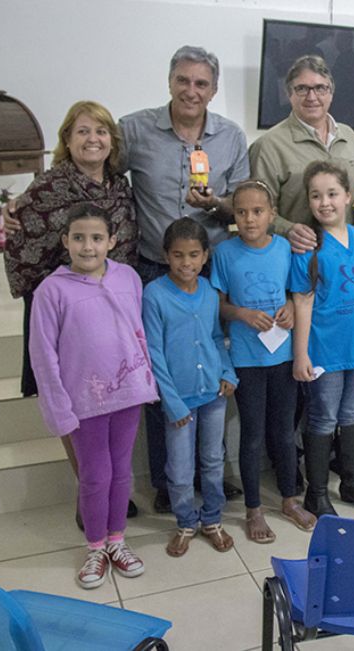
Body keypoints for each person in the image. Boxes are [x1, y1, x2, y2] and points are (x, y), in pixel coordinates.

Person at [120, 45, 250, 512]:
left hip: (208, 266)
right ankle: (166, 479)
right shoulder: (133, 129)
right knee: (165, 372)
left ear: (213, 90)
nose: (191, 90)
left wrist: (215, 203)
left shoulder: (232, 137)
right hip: (154, 267)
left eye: (201, 83)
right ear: (170, 81)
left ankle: (213, 470)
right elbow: (99, 179)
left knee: (213, 367)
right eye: (183, 80)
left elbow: (242, 204)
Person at [4, 100, 140, 526]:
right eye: (82, 131)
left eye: (100, 131)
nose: (92, 139)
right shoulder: (48, 187)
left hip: (110, 304)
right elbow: (20, 240)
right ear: (66, 139)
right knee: (72, 396)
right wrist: (7, 216)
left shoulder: (120, 185)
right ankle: (89, 489)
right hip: (63, 309)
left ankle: (108, 487)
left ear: (111, 141)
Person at [28, 204, 156, 589]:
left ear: (112, 242)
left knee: (121, 472)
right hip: (84, 402)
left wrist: (147, 380)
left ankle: (117, 541)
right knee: (95, 475)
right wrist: (58, 408)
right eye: (79, 238)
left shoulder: (128, 277)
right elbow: (43, 355)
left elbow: (138, 331)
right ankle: (95, 547)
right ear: (66, 241)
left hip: (129, 394)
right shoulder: (51, 291)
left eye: (97, 238)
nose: (88, 247)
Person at [211, 181, 313, 540]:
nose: (250, 219)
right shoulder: (224, 253)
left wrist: (287, 307)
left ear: (272, 215)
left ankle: (289, 498)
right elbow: (217, 304)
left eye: (258, 212)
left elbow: (294, 292)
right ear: (234, 216)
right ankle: (254, 509)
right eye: (242, 212)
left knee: (284, 431)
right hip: (247, 358)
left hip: (283, 354)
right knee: (252, 435)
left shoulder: (284, 248)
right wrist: (240, 313)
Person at [291, 161, 354, 516]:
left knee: (351, 414)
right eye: (316, 196)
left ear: (348, 196)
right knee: (323, 418)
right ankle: (317, 493)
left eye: (332, 194)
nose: (325, 202)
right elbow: (302, 300)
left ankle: (352, 483)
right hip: (324, 350)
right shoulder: (308, 247)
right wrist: (301, 354)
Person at [142, 218, 237, 557]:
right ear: (166, 256)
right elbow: (153, 351)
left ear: (205, 255)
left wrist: (228, 373)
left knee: (213, 460)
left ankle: (212, 519)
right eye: (178, 255)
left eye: (194, 255)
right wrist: (172, 402)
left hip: (213, 393)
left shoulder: (210, 293)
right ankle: (185, 522)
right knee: (180, 469)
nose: (186, 263)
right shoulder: (153, 295)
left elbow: (215, 337)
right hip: (178, 400)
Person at [249, 55, 354, 254]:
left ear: (331, 93)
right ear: (289, 94)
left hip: (347, 258)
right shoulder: (268, 146)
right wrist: (287, 230)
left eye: (320, 88)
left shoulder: (351, 139)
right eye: (302, 89)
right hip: (295, 259)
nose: (312, 97)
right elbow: (255, 210)